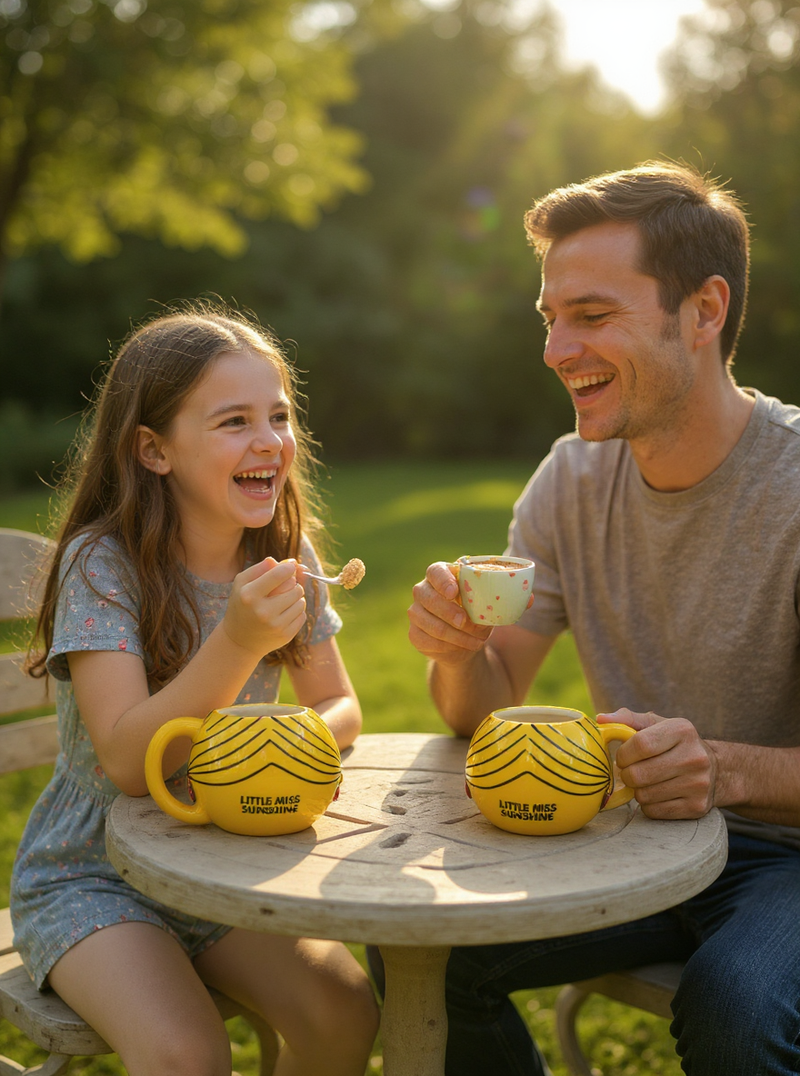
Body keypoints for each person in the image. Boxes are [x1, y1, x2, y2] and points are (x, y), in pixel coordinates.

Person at [407, 162, 800, 1075]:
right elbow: (484, 708)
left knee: (738, 1012)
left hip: (785, 861)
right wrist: (459, 651)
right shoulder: (570, 479)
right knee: (430, 957)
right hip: (634, 839)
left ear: (703, 313)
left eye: (591, 315)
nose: (554, 350)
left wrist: (724, 770)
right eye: (550, 319)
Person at [10, 305, 379, 1076]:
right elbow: (122, 759)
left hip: (223, 865)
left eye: (278, 416)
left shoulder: (286, 555)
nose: (270, 442)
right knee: (187, 1056)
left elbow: (339, 708)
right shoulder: (102, 566)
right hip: (94, 873)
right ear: (153, 449)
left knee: (344, 1010)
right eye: (234, 421)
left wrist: (286, 743)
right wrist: (238, 644)